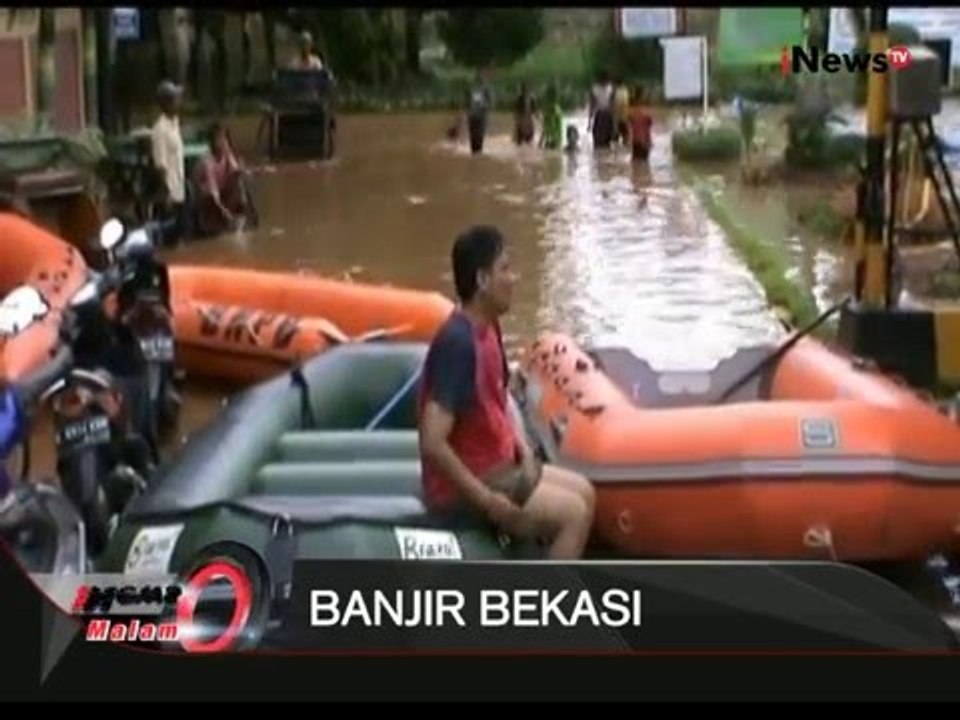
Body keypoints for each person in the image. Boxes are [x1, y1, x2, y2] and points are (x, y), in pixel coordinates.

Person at [417, 226, 596, 559]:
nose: (513, 278)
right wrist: (487, 501)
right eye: (505, 269)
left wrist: (523, 448)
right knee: (575, 514)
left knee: (585, 492)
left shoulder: (489, 328)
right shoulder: (458, 343)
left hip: (500, 465)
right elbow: (433, 440)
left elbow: (497, 401)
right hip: (471, 487)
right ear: (483, 280)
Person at [193, 122, 257, 237]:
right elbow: (213, 195)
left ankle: (241, 218)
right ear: (212, 142)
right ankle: (219, 224)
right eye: (220, 139)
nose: (223, 143)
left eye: (224, 139)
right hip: (207, 200)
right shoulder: (207, 162)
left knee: (240, 181)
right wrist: (226, 213)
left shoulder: (227, 155)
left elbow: (237, 174)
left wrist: (244, 171)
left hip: (222, 194)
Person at [150, 80, 189, 242]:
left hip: (179, 188)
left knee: (181, 233)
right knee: (169, 237)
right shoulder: (160, 130)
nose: (179, 103)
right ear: (166, 103)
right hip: (170, 192)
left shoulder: (175, 124)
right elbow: (160, 165)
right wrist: (166, 193)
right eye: (175, 100)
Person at [465, 72, 493, 155]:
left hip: (481, 116)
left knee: (479, 136)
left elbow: (491, 102)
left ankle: (478, 153)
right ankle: (474, 153)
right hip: (472, 116)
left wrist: (483, 105)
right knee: (473, 136)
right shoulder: (470, 89)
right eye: (477, 79)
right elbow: (466, 102)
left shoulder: (486, 89)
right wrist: (468, 111)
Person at [588, 71, 615, 150]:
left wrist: (614, 123)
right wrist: (589, 122)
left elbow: (612, 107)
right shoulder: (595, 89)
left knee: (606, 142)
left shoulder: (610, 88)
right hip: (600, 115)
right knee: (598, 142)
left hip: (606, 115)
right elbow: (592, 106)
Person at [627, 86, 653, 163]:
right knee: (644, 163)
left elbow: (629, 125)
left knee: (635, 162)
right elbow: (649, 126)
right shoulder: (646, 111)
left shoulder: (631, 111)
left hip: (636, 140)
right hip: (644, 140)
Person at [539, 85, 563, 151]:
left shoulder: (553, 110)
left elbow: (546, 127)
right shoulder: (556, 109)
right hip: (553, 140)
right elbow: (546, 127)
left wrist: (540, 142)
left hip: (552, 140)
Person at [613, 77, 631, 146]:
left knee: (616, 135)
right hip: (623, 115)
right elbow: (626, 103)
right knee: (625, 135)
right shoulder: (625, 91)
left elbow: (615, 104)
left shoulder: (616, 91)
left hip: (618, 116)